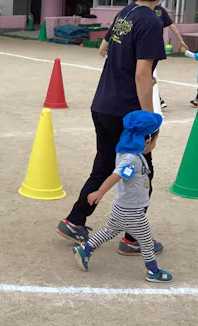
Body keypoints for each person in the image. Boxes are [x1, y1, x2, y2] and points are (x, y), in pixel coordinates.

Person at [56, 0, 173, 257]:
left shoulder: (125, 13)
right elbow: (141, 74)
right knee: (142, 170)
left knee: (104, 164)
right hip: (127, 112)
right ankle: (134, 237)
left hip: (104, 104)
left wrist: (141, 72)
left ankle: (75, 220)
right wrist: (150, 121)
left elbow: (112, 53)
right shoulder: (151, 20)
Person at [73, 110, 172, 283]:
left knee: (109, 231)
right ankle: (153, 271)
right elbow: (116, 175)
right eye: (155, 140)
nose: (155, 144)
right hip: (132, 210)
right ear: (147, 140)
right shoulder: (131, 159)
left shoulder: (129, 154)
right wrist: (100, 192)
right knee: (146, 241)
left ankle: (86, 249)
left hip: (122, 207)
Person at [99, 2, 188, 110]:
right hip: (142, 56)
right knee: (144, 79)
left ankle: (156, 100)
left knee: (143, 78)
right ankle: (155, 102)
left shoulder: (127, 12)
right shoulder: (148, 18)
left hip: (107, 101)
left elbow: (103, 47)